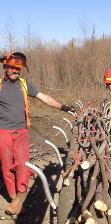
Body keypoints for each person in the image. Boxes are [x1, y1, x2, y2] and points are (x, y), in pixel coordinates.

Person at [0, 52, 75, 215]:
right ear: (5, 67)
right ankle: (14, 197)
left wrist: (63, 107)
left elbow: (44, 98)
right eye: (12, 68)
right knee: (6, 167)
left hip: (21, 131)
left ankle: (19, 196)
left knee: (22, 163)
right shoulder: (0, 85)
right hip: (3, 131)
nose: (15, 71)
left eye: (18, 69)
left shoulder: (24, 84)